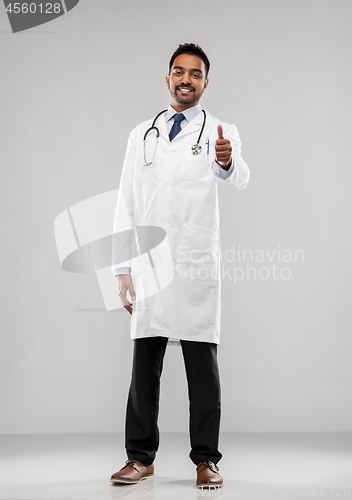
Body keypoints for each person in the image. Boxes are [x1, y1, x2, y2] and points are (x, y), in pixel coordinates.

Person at [110, 43, 250, 489]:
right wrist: (120, 269)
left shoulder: (219, 130)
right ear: (167, 78)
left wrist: (227, 161)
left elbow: (241, 176)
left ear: (206, 82)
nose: (185, 79)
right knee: (144, 365)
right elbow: (125, 203)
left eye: (195, 74)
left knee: (201, 366)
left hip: (193, 263)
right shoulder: (141, 135)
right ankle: (140, 457)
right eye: (178, 72)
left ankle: (206, 459)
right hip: (149, 262)